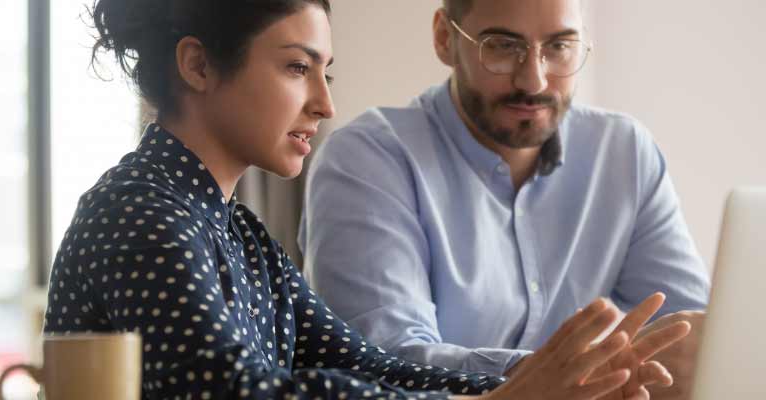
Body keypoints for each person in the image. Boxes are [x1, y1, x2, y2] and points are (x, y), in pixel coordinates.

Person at [43, 0, 689, 398]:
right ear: (198, 66)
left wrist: (551, 380)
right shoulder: (140, 211)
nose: (325, 103)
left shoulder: (239, 235)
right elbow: (239, 395)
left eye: (327, 73)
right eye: (298, 68)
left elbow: (375, 369)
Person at [299, 0, 709, 397]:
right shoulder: (365, 161)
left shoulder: (622, 153)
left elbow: (695, 338)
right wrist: (558, 378)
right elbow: (383, 363)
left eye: (559, 46)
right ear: (445, 38)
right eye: (502, 45)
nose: (534, 80)